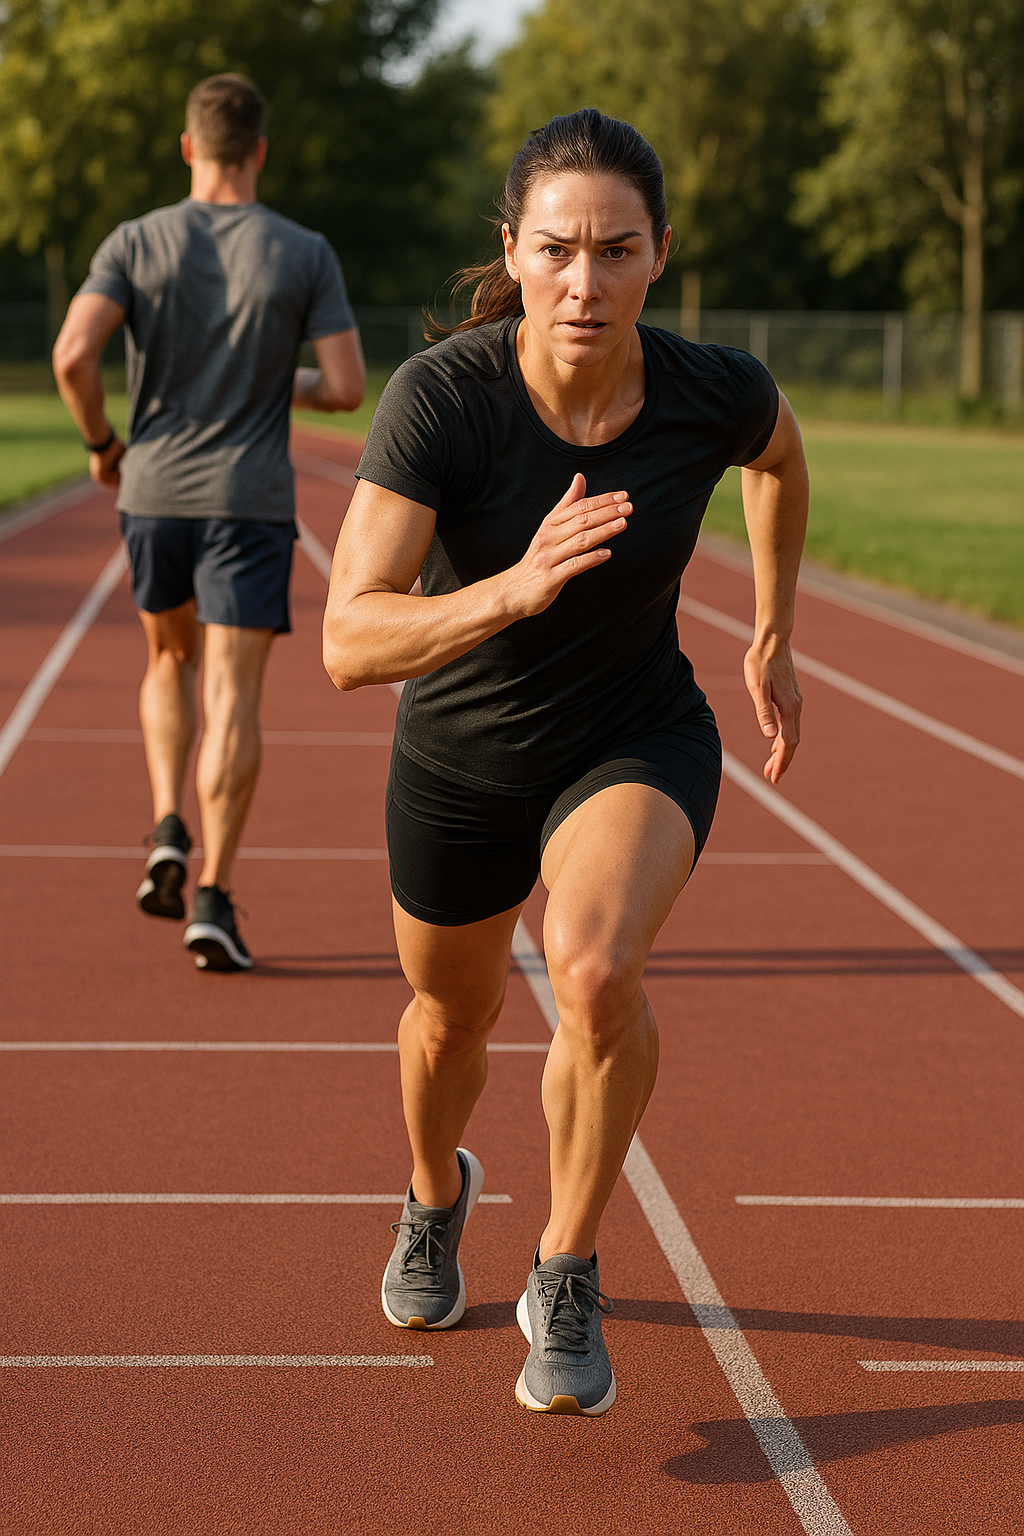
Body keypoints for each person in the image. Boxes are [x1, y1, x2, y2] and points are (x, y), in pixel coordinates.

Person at [322, 109, 807, 1416]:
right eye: (557, 250)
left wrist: (770, 631)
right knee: (452, 1022)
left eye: (615, 249)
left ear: (661, 257)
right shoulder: (448, 399)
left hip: (634, 733)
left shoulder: (710, 388)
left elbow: (777, 457)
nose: (584, 281)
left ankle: (567, 1263)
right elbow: (349, 639)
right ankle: (436, 1199)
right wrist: (511, 588)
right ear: (513, 253)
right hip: (464, 755)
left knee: (595, 973)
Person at [53, 73, 365, 971]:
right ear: (260, 150)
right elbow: (344, 387)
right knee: (233, 693)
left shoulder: (134, 240)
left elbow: (75, 354)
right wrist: (276, 382)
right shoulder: (302, 251)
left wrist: (104, 442)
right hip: (247, 500)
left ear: (188, 147)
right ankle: (215, 899)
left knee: (166, 659)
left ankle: (165, 824)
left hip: (151, 491)